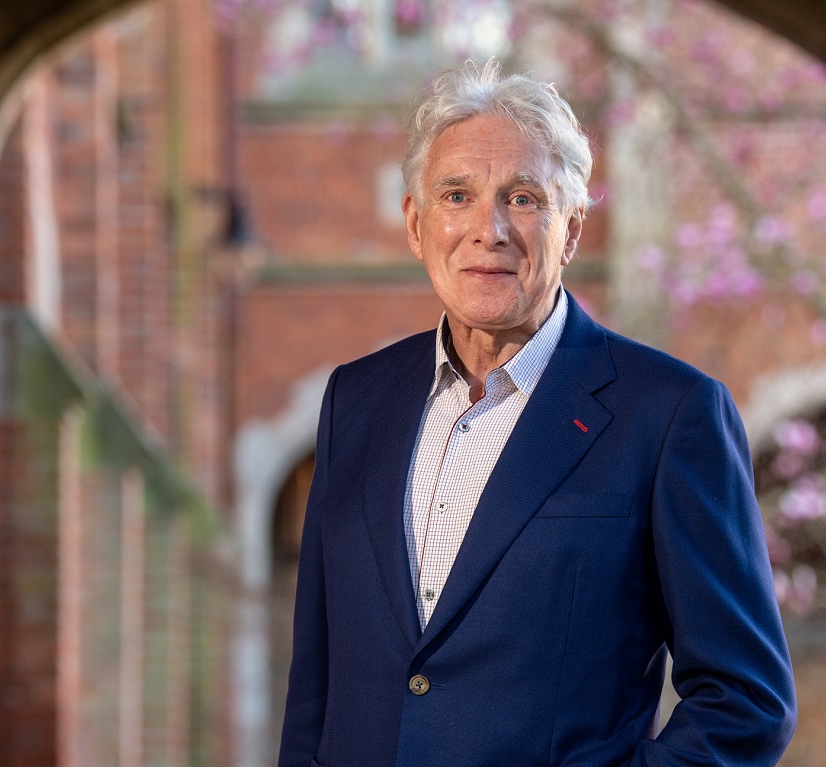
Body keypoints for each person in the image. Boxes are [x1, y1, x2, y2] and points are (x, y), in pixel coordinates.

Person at [277, 60, 795, 767]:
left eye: (523, 198)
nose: (488, 229)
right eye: (456, 195)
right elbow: (317, 683)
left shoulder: (670, 414)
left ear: (572, 228)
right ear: (415, 224)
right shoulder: (355, 400)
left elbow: (748, 702)